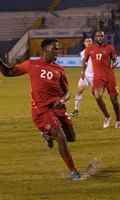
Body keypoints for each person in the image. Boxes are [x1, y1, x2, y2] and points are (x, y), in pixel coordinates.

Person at [0, 39, 81, 180]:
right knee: (61, 137)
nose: (57, 51)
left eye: (58, 49)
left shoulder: (59, 70)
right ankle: (73, 171)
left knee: (71, 137)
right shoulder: (31, 64)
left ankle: (47, 134)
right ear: (44, 49)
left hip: (58, 108)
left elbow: (67, 92)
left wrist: (62, 100)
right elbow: (8, 72)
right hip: (42, 109)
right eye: (54, 49)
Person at [83, 31, 120, 128]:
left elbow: (115, 59)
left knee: (114, 100)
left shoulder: (109, 47)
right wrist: (83, 71)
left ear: (104, 37)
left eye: (101, 36)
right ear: (95, 37)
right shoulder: (90, 48)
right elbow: (84, 60)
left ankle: (118, 119)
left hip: (110, 76)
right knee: (97, 96)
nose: (99, 37)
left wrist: (115, 63)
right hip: (98, 77)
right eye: (97, 36)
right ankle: (107, 116)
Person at [70, 35, 94, 117]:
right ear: (84, 43)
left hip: (95, 76)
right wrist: (83, 72)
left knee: (97, 95)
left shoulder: (96, 50)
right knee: (79, 91)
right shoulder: (83, 52)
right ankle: (76, 110)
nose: (89, 42)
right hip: (85, 75)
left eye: (90, 41)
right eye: (87, 41)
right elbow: (84, 63)